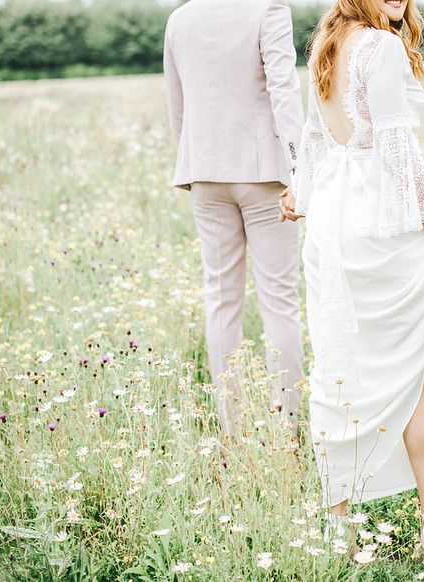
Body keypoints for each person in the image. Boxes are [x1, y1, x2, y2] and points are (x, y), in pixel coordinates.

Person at [279, 0, 424, 577]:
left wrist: (303, 197)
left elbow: (317, 145)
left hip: (333, 232)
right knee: (422, 377)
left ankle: (339, 534)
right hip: (382, 230)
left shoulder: (328, 43)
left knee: (339, 371)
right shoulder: (383, 47)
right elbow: (400, 161)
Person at [163, 0, 305, 437]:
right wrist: (301, 169)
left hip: (203, 172)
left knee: (221, 300)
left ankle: (234, 427)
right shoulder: (269, 11)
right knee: (279, 300)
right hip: (263, 175)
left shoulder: (179, 20)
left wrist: (194, 160)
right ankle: (287, 429)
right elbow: (284, 90)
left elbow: (177, 105)